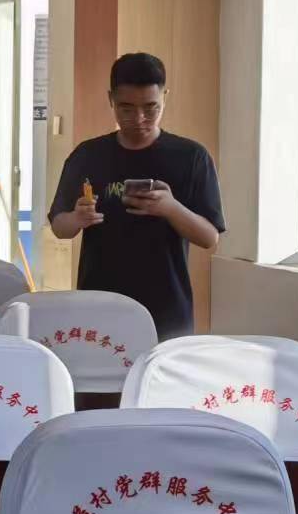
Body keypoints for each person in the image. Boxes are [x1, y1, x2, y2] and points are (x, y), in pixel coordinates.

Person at [49, 52, 223, 339]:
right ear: (111, 99)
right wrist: (77, 218)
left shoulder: (192, 157)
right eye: (126, 109)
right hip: (99, 305)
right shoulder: (87, 155)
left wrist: (171, 208)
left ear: (165, 97)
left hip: (167, 311)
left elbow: (209, 238)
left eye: (151, 108)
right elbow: (59, 228)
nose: (139, 119)